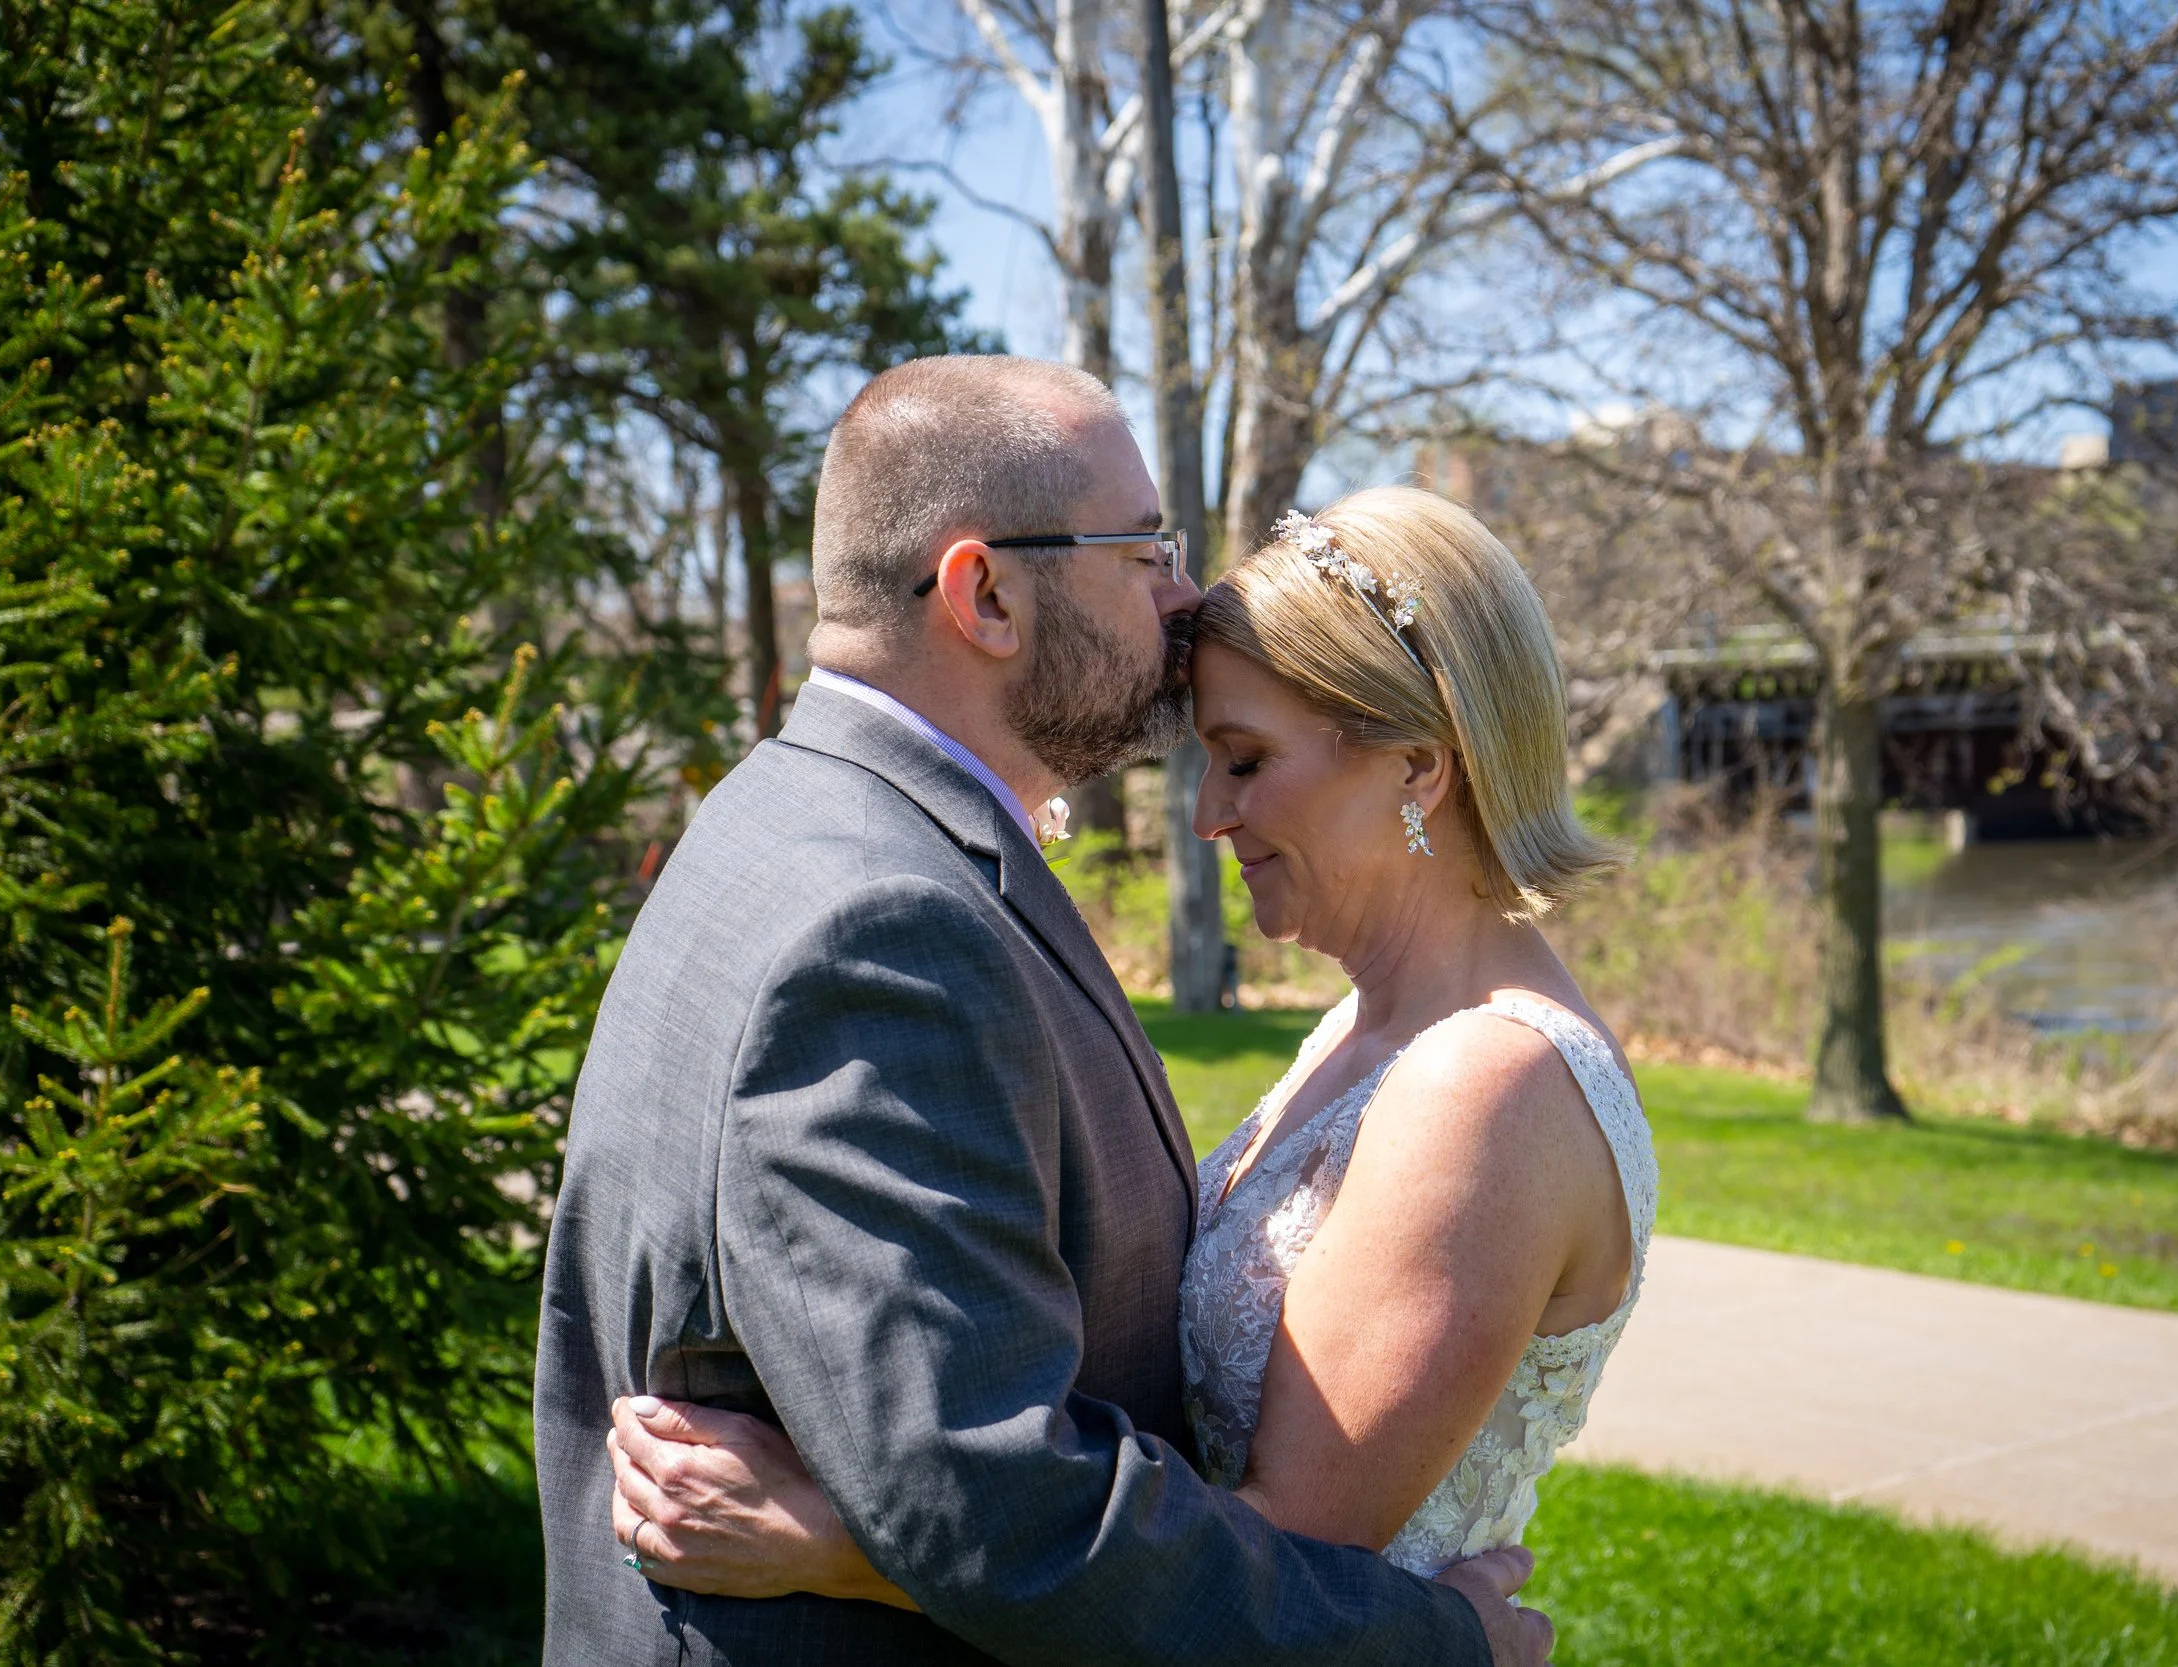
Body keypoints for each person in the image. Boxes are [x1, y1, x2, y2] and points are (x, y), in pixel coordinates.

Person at [534, 358, 1551, 1666]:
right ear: (988, 592)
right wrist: (1429, 1644)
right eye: (1145, 551)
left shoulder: (792, 817)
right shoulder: (881, 922)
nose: (1186, 599)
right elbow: (997, 1505)